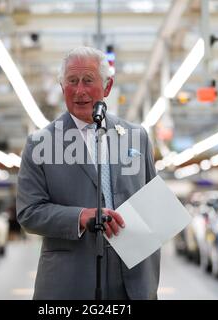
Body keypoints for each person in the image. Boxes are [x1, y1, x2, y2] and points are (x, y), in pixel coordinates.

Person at [17, 46, 160, 300]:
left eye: (88, 80)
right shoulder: (40, 144)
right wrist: (81, 216)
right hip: (69, 283)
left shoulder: (137, 137)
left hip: (132, 282)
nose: (79, 90)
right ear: (62, 87)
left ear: (107, 87)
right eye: (72, 81)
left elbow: (153, 206)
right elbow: (29, 212)